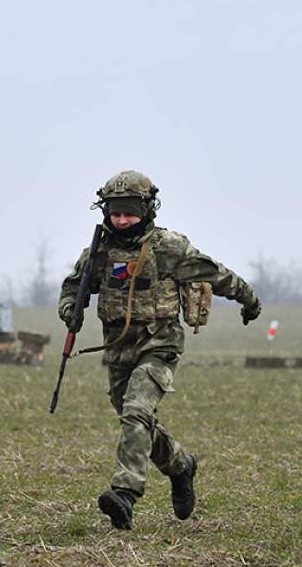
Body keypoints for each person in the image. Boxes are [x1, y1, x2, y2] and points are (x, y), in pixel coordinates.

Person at [58, 170, 261, 530]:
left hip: (160, 344)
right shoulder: (99, 252)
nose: (121, 219)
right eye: (115, 212)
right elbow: (74, 287)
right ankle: (182, 465)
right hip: (119, 348)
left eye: (130, 211)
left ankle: (125, 494)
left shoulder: (169, 249)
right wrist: (69, 311)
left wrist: (249, 301)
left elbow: (218, 274)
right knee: (136, 419)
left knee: (136, 410)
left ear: (148, 208)